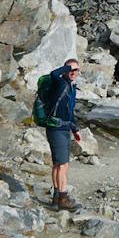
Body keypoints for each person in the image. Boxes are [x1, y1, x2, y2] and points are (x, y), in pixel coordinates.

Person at [36, 58, 83, 211]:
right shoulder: (60, 83)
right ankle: (63, 198)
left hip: (64, 129)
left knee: (58, 164)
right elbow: (54, 74)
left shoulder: (71, 88)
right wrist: (67, 68)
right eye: (71, 70)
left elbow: (70, 112)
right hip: (56, 128)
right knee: (63, 165)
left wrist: (75, 129)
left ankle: (56, 199)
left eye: (76, 70)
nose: (73, 72)